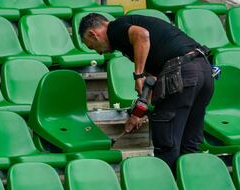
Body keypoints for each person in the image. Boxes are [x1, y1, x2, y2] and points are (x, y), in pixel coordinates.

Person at [79, 13, 214, 172]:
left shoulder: (114, 29)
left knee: (167, 145)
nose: (99, 53)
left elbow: (142, 35)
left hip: (182, 74)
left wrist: (138, 74)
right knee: (190, 145)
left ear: (92, 34)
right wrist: (138, 113)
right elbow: (154, 79)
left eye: (92, 46)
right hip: (204, 71)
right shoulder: (132, 39)